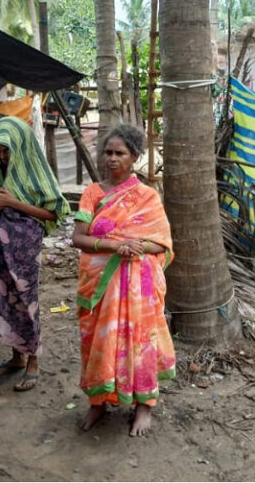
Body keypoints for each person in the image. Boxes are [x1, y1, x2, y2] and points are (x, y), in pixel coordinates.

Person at [71, 124, 176, 437]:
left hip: (138, 289)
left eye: (120, 153)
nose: (112, 159)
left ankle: (144, 405)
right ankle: (98, 402)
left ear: (134, 158)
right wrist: (118, 245)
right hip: (100, 285)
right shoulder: (92, 193)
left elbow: (163, 244)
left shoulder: (147, 197)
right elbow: (78, 238)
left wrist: (135, 246)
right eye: (108, 152)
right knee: (98, 343)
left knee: (141, 342)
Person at [0, 116, 71, 392]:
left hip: (24, 248)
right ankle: (16, 357)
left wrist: (13, 202)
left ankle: (34, 360)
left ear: (20, 147)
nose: (1, 155)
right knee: (4, 300)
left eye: (6, 149)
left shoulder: (35, 172)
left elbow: (55, 212)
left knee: (26, 300)